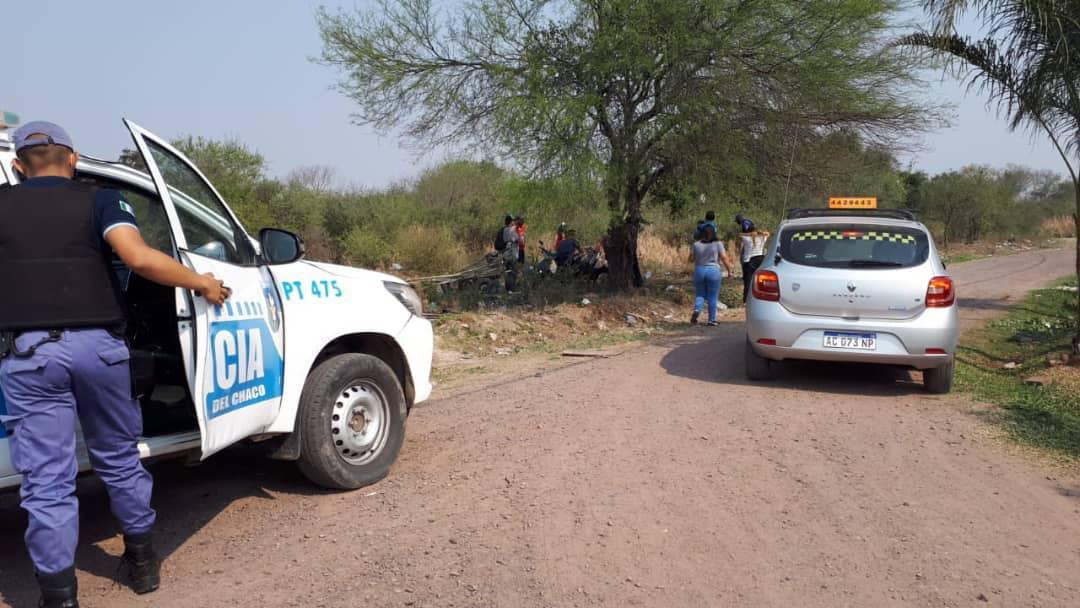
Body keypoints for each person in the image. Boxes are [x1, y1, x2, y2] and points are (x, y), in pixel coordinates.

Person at [0, 121, 230, 608]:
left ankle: (59, 598)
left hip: (30, 355)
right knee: (119, 457)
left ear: (18, 166)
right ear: (73, 158)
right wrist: (203, 283)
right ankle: (143, 565)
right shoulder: (100, 199)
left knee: (47, 480)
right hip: (100, 349)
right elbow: (139, 259)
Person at [688, 224, 735, 326]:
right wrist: (729, 271)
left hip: (699, 270)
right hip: (713, 271)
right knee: (712, 296)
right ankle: (711, 320)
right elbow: (724, 258)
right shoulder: (718, 244)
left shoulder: (696, 244)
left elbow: (691, 259)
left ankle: (697, 310)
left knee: (700, 294)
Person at [739, 220, 770, 302]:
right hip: (759, 260)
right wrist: (760, 233)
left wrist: (751, 234)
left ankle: (746, 300)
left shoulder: (746, 238)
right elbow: (768, 233)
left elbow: (740, 234)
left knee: (747, 282)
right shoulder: (762, 238)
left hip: (748, 261)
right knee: (759, 281)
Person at [500, 215, 521, 292]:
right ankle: (512, 290)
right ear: (510, 222)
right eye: (513, 221)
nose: (514, 222)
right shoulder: (511, 230)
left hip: (506, 254)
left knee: (508, 272)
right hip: (511, 255)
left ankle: (508, 289)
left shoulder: (505, 230)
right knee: (513, 272)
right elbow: (517, 239)